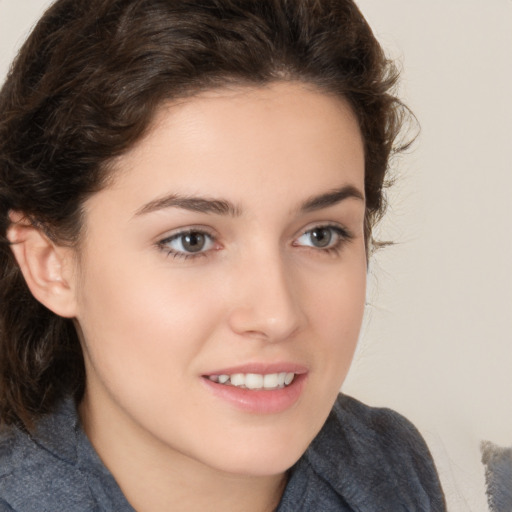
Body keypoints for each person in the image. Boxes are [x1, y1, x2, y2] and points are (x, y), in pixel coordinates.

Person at [0, 0, 446, 510]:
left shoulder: (458, 487)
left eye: (320, 235)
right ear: (48, 264)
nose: (276, 315)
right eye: (191, 240)